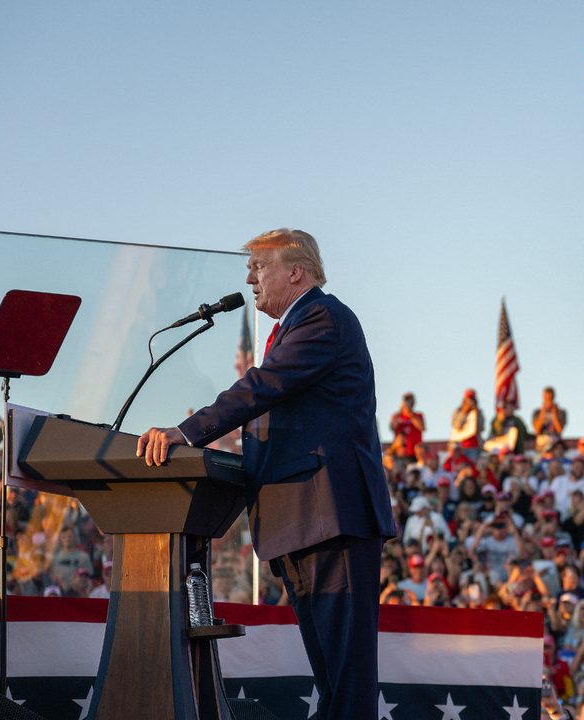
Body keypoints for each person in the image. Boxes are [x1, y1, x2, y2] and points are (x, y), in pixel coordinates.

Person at [136, 228, 396, 719]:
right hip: (303, 522)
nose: (250, 279)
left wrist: (188, 433)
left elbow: (263, 387)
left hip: (331, 519)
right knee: (334, 684)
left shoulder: (322, 316)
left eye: (259, 267)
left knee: (347, 684)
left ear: (295, 271)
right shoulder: (299, 324)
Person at [388, 392, 425, 460]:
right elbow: (392, 427)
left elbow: (421, 427)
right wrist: (400, 410)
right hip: (400, 453)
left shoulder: (418, 415)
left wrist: (411, 413)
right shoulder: (397, 416)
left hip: (414, 453)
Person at [533, 387, 568, 454]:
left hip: (555, 443)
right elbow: (536, 430)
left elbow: (559, 430)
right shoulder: (537, 412)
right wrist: (542, 414)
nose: (548, 399)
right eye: (546, 397)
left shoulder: (561, 412)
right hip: (541, 444)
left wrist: (554, 414)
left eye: (550, 397)